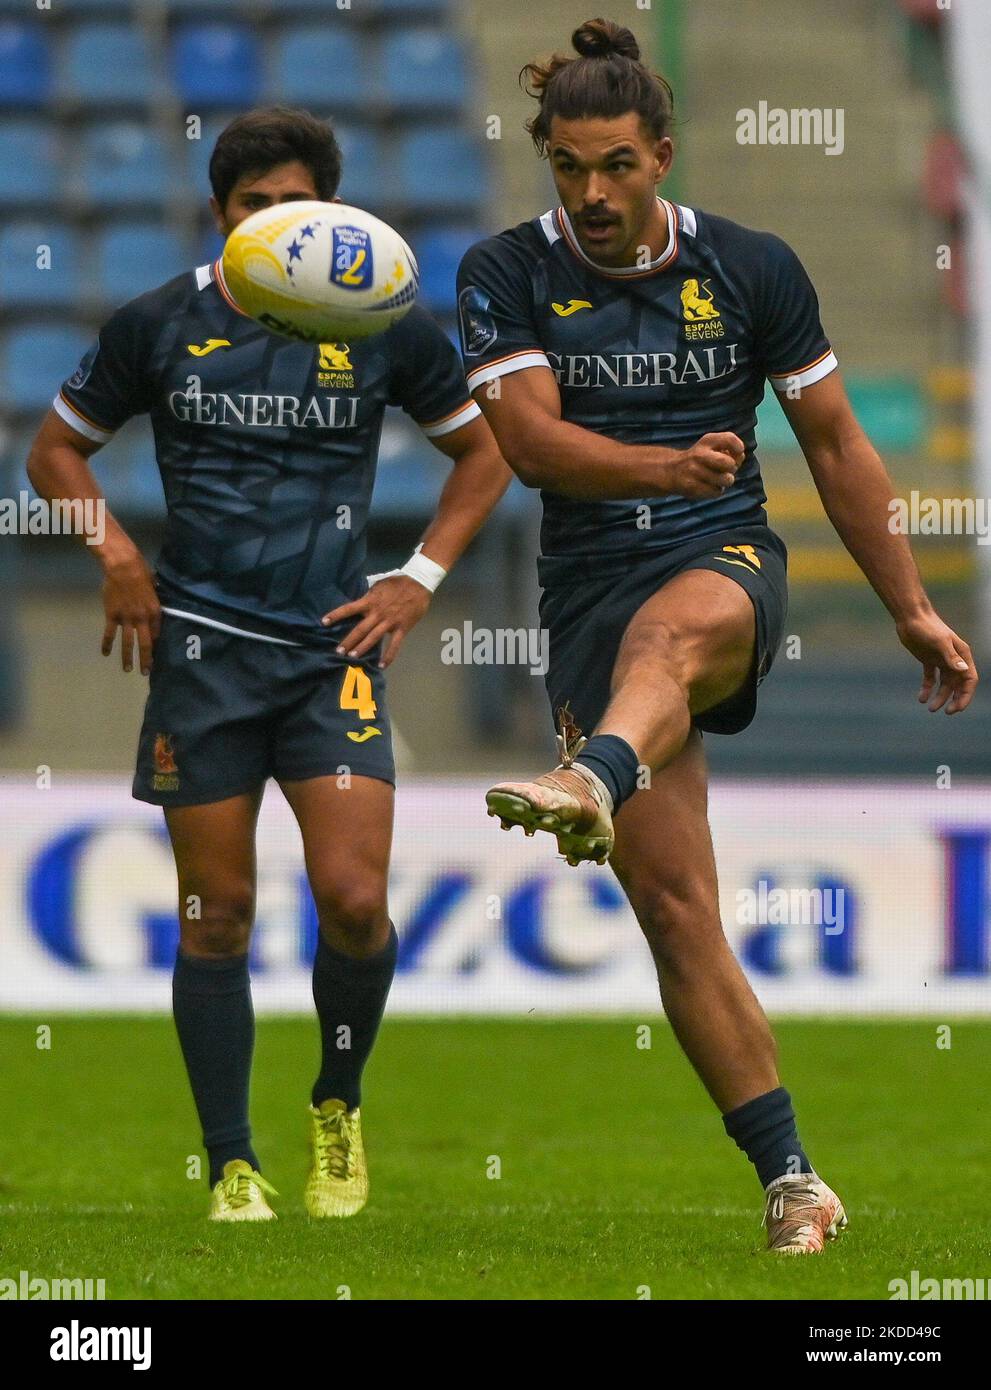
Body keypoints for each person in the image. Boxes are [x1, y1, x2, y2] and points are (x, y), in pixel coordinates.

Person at [456, 19, 978, 1253]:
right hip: (586, 577)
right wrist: (660, 464)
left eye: (617, 166)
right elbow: (528, 444)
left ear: (663, 155)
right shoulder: (501, 272)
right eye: (569, 167)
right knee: (677, 906)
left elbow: (842, 445)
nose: (592, 193)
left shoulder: (752, 268)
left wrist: (907, 603)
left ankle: (590, 772)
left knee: (669, 643)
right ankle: (794, 1179)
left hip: (724, 564)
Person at [27, 106, 511, 1223]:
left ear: (331, 212)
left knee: (351, 899)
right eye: (257, 208)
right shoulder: (159, 323)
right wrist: (112, 552)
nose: (279, 225)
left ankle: (336, 1103)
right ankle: (230, 1163)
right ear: (222, 217)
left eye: (299, 205)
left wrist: (419, 578)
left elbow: (483, 451)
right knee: (217, 914)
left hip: (330, 652)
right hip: (199, 651)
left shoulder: (384, 325)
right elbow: (54, 448)